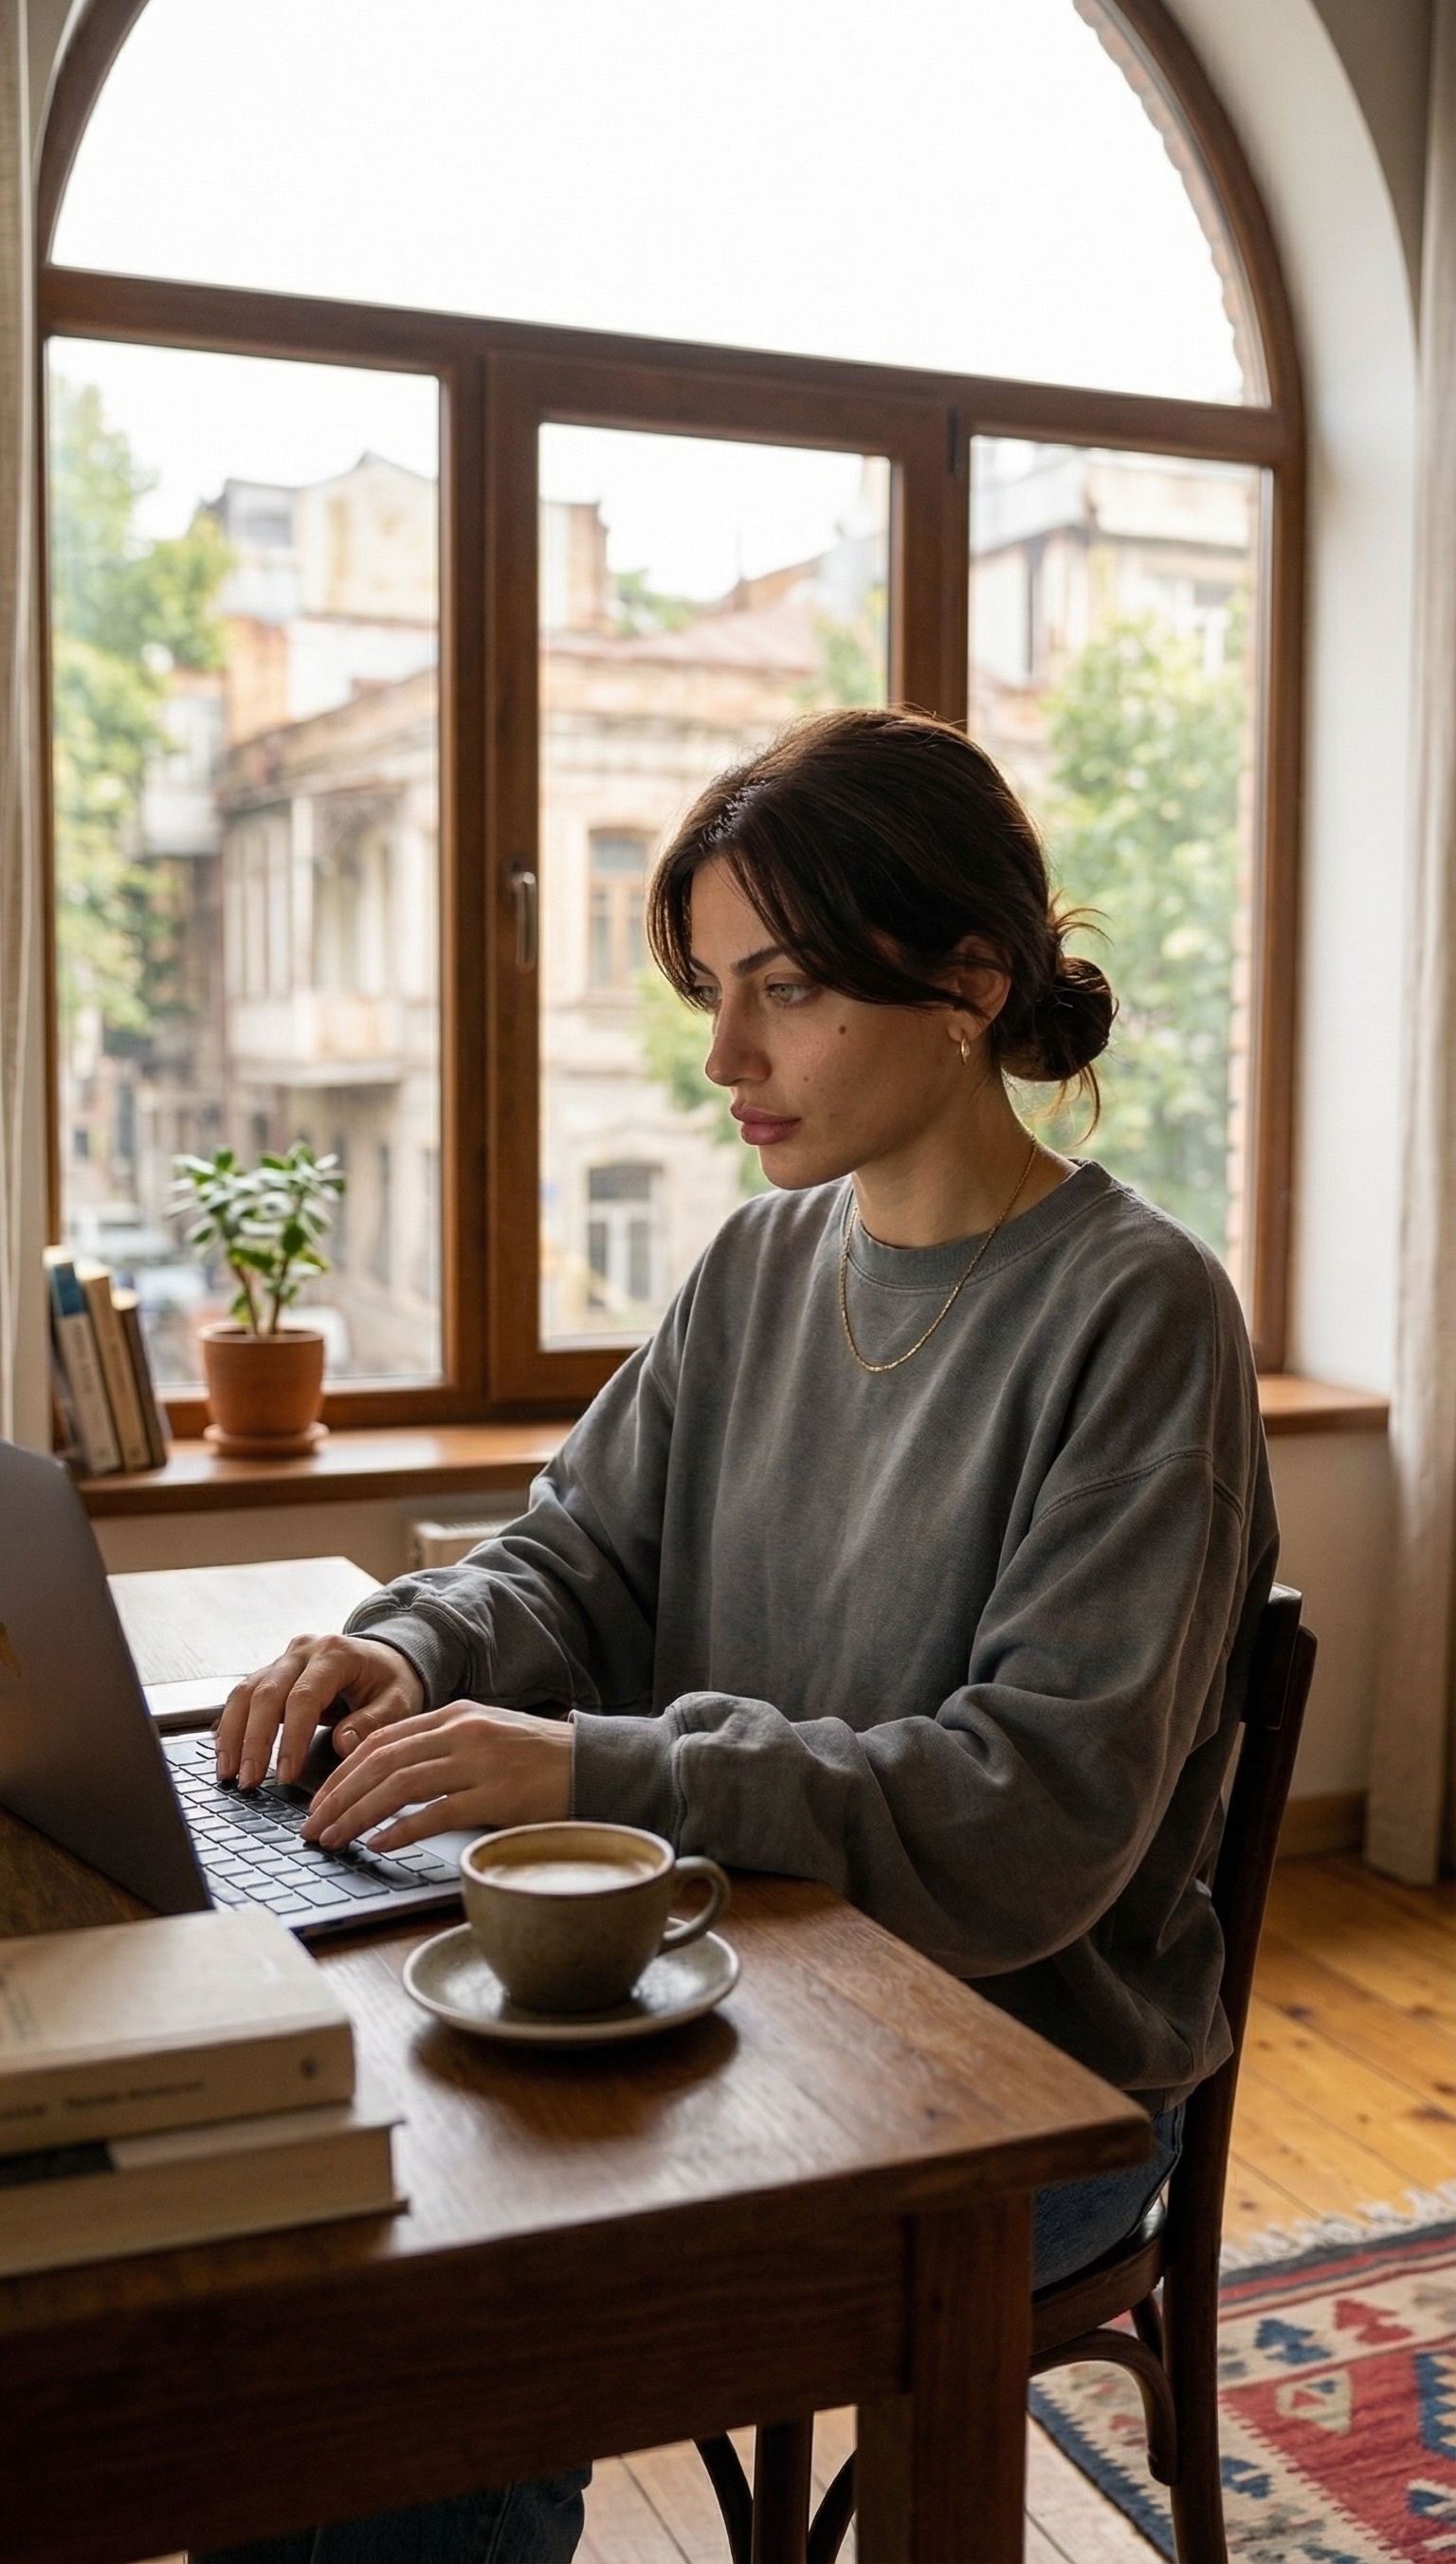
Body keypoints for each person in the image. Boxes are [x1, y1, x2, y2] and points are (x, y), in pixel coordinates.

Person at [205, 707, 1276, 2564]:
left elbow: (1026, 1818)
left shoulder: (1139, 1315)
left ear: (967, 978)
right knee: (330, 2263)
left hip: (1025, 2084)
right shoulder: (757, 1265)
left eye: (780, 990)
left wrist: (604, 1762)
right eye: (713, 989)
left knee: (450, 2324)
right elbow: (573, 1562)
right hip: (745, 1990)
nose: (724, 1058)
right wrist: (415, 1647)